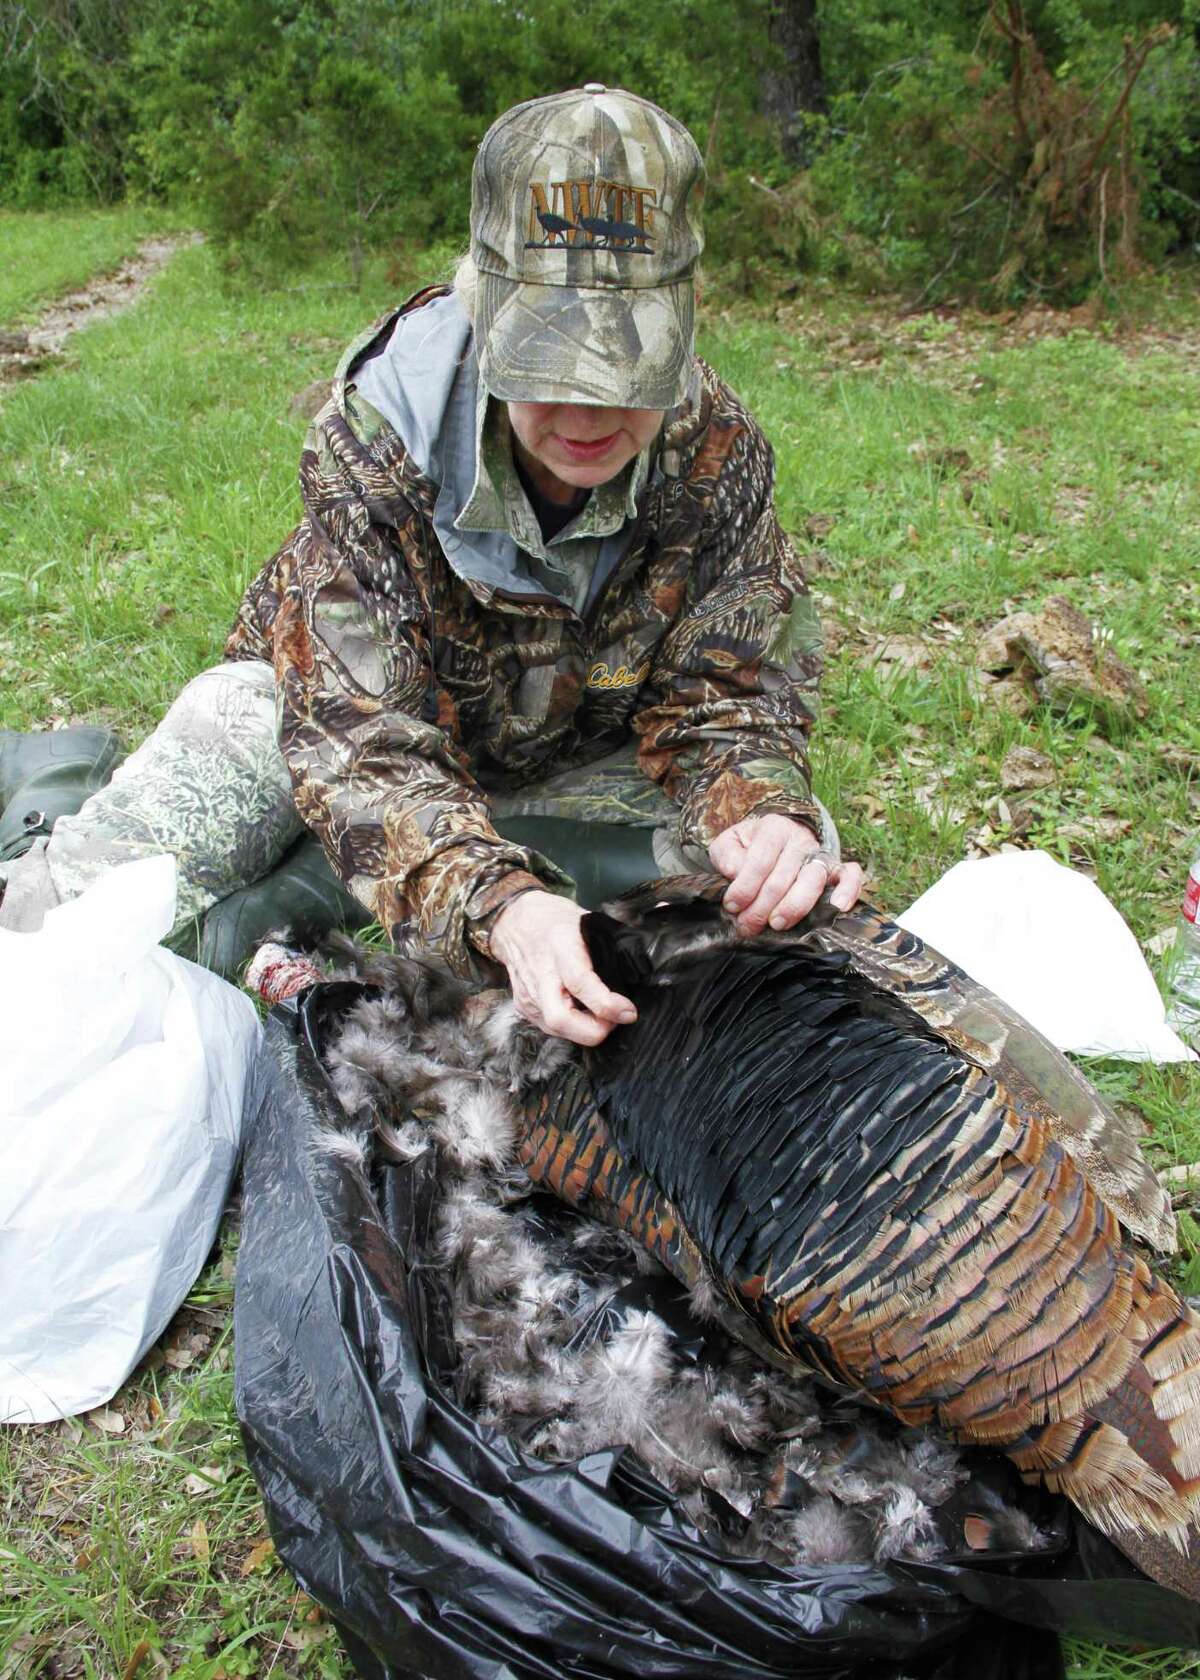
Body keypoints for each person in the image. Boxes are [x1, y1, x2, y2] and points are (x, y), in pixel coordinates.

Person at [0, 84, 861, 1042]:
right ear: (484, 312)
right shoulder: (378, 443)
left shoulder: (716, 451)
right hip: (322, 740)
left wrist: (759, 808)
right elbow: (359, 744)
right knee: (64, 921)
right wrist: (505, 907)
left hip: (562, 763)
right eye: (547, 366)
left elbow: (724, 700)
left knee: (783, 871)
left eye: (627, 370)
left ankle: (318, 893)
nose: (587, 418)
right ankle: (74, 814)